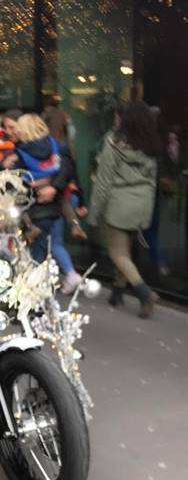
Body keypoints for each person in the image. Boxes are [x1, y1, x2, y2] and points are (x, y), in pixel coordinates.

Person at [88, 100, 160, 318]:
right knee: (126, 252)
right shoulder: (151, 147)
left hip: (119, 205)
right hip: (142, 206)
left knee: (117, 253)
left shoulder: (114, 145)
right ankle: (117, 293)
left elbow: (103, 183)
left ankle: (144, 293)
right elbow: (152, 179)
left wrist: (93, 214)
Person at [0, 114, 81, 293]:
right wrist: (54, 186)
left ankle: (32, 295)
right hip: (54, 207)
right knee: (45, 249)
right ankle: (39, 291)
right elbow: (67, 169)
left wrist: (1, 169)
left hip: (33, 210)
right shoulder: (56, 145)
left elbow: (11, 184)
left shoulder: (19, 154)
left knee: (36, 255)